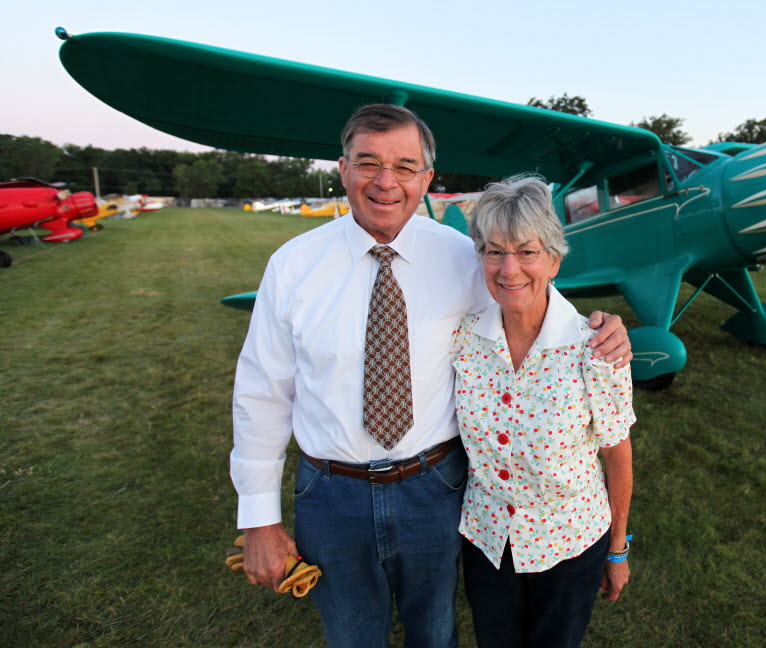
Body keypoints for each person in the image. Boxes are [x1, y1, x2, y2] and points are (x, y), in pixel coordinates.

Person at [230, 104, 632, 648]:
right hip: (330, 495)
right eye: (368, 163)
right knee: (351, 637)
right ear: (343, 169)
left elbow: (522, 285)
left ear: (427, 178)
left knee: (435, 635)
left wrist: (602, 329)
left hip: (435, 490)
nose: (385, 182)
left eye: (404, 165)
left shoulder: (460, 255)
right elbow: (261, 395)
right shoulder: (292, 266)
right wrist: (259, 520)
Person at [452, 175, 635, 648]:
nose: (509, 268)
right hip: (487, 542)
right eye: (494, 251)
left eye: (526, 251)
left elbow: (617, 453)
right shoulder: (462, 339)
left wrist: (617, 550)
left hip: (571, 545)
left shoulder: (596, 348)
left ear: (554, 258)